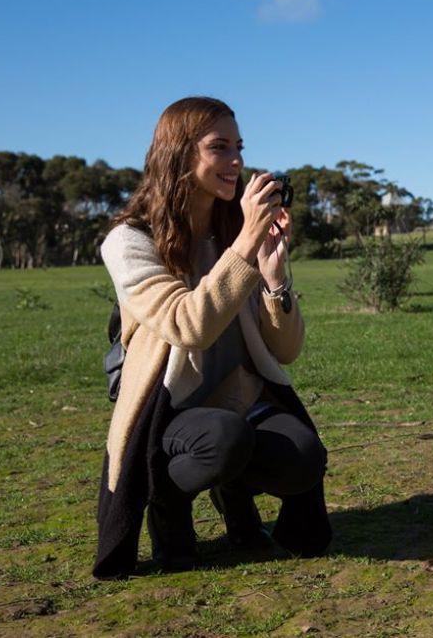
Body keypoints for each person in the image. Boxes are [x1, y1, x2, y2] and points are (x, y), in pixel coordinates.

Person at [92, 96, 331, 579]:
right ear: (179, 154)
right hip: (170, 412)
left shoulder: (234, 234)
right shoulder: (129, 241)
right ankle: (168, 503)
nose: (237, 161)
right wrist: (245, 247)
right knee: (223, 439)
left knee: (303, 458)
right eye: (219, 147)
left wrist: (274, 276)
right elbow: (188, 324)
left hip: (239, 396)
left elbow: (285, 351)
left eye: (239, 146)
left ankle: (236, 496)